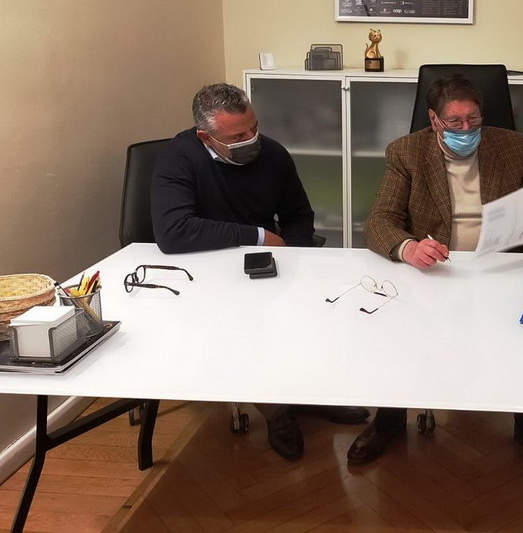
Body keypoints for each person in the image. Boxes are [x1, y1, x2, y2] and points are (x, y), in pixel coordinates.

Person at [350, 74, 523, 479]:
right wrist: (409, 248)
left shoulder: (512, 146)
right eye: (455, 121)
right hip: (438, 269)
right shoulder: (406, 152)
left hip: (501, 266)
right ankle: (388, 422)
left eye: (474, 119)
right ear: (434, 120)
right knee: (400, 337)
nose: (466, 129)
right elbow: (378, 222)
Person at [151, 83, 369, 460]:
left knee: (319, 314)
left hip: (269, 262)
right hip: (207, 269)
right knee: (247, 328)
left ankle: (314, 395)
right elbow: (173, 233)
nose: (251, 139)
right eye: (238, 136)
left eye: (253, 127)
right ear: (206, 136)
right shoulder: (178, 159)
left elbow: (298, 215)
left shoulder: (273, 153)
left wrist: (297, 258)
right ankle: (277, 413)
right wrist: (258, 236)